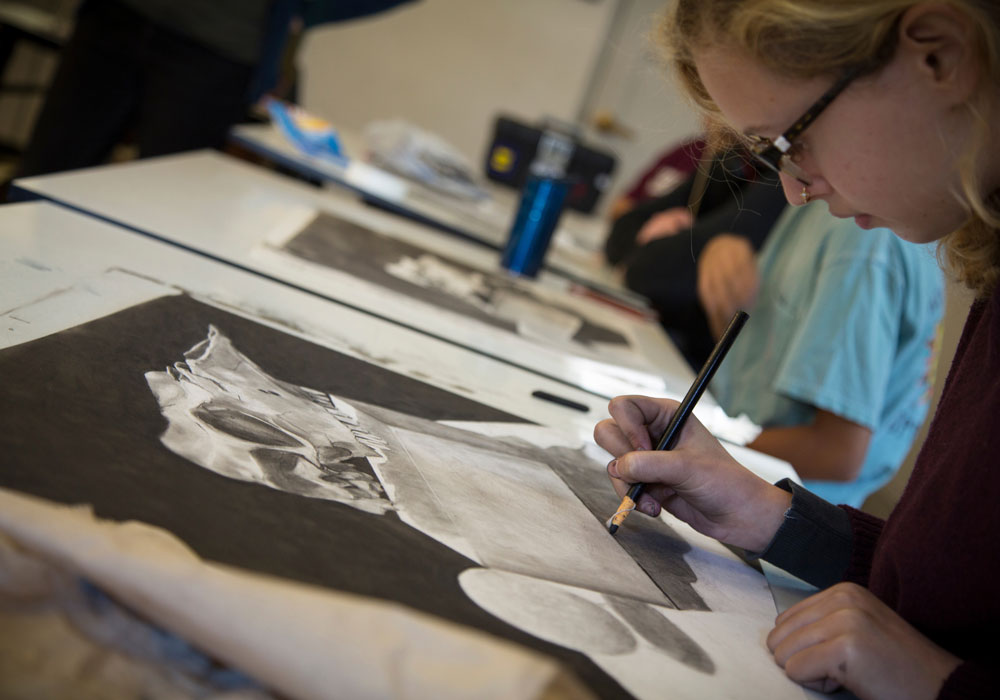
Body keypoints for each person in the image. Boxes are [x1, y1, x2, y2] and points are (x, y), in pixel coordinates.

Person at [595, 2, 999, 698]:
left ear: (938, 55)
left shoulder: (870, 254)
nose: (793, 188)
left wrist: (940, 683)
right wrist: (766, 514)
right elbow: (955, 593)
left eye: (789, 142)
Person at [706, 201, 943, 508]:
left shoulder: (864, 238)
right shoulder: (820, 203)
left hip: (772, 508)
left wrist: (707, 445)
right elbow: (753, 354)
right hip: (746, 481)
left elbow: (837, 454)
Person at [606, 146, 788, 366]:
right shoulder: (734, 159)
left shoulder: (786, 180)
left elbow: (650, 272)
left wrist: (658, 244)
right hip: (668, 344)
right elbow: (620, 231)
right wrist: (661, 246)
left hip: (704, 365)